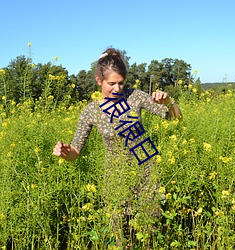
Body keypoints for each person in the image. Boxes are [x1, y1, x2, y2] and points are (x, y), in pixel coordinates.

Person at [53, 47, 182, 246]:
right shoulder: (91, 111)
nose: (117, 89)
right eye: (111, 84)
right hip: (116, 178)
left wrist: (169, 102)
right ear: (99, 81)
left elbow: (175, 118)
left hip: (146, 173)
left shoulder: (135, 96)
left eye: (121, 83)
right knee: (119, 237)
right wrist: (65, 152)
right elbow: (76, 151)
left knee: (150, 235)